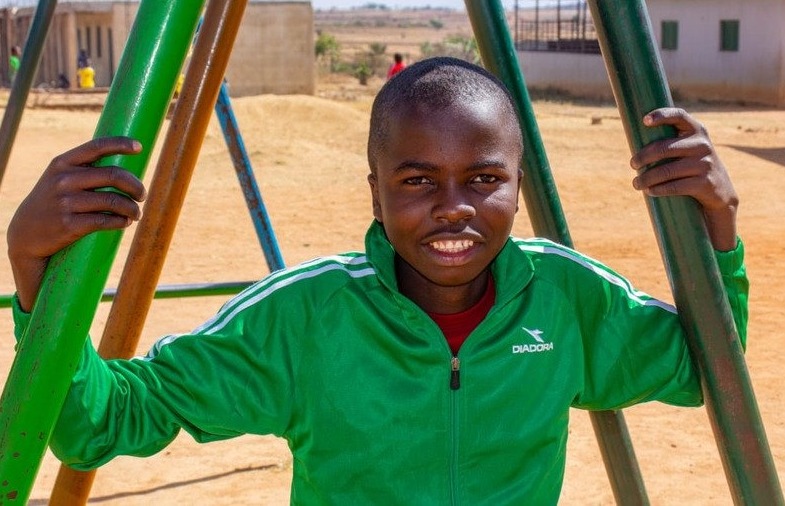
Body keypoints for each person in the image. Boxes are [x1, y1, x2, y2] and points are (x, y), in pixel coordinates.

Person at [8, 57, 745, 503]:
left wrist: (718, 226)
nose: (452, 208)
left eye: (483, 179)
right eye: (418, 179)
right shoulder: (303, 319)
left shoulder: (563, 299)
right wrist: (35, 268)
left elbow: (703, 367)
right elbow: (101, 422)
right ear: (375, 191)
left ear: (517, 187)